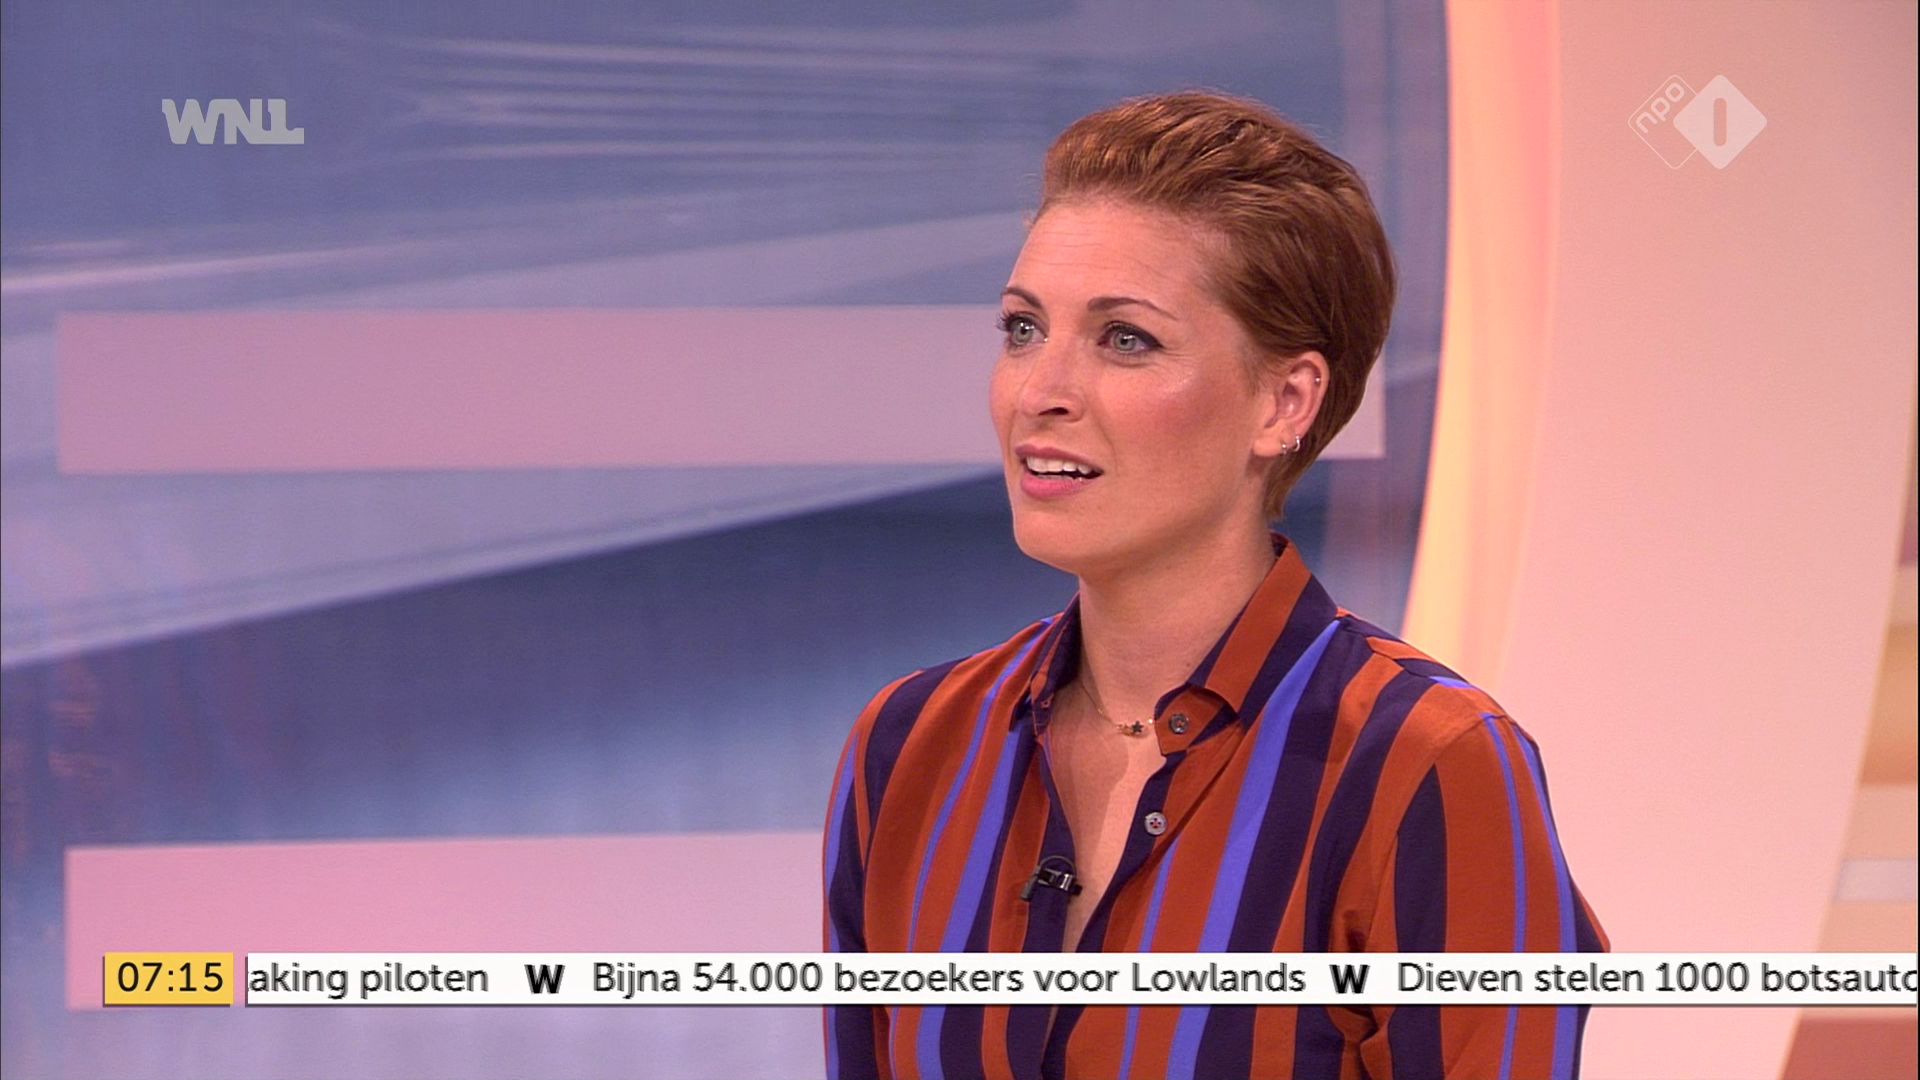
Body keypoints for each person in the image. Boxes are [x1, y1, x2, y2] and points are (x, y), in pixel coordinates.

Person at [823, 90, 1607, 1080]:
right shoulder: (910, 749)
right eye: (1023, 329)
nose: (1039, 392)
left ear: (1286, 402)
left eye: (1125, 339)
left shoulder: (1427, 764)